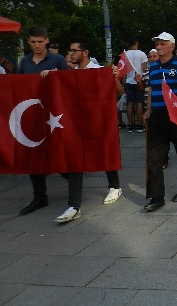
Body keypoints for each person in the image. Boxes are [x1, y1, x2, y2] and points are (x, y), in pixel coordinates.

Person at [51, 37, 124, 222]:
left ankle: (114, 186)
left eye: (74, 50)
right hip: (76, 124)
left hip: (98, 121)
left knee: (104, 151)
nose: (71, 53)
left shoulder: (99, 71)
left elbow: (119, 92)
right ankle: (74, 206)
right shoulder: (70, 72)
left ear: (85, 53)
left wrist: (113, 76)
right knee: (75, 160)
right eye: (70, 50)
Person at [142, 32, 177, 212]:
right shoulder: (153, 67)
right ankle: (156, 197)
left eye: (162, 44)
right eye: (157, 44)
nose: (159, 47)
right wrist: (148, 109)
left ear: (172, 46)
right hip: (157, 116)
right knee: (153, 158)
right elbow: (152, 88)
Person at [17, 26, 70, 217]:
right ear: (28, 42)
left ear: (47, 40)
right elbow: (19, 87)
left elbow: (69, 82)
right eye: (33, 42)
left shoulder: (57, 59)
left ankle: (72, 182)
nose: (37, 45)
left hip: (54, 114)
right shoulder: (25, 62)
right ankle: (39, 196)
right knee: (34, 153)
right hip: (33, 112)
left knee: (59, 149)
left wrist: (56, 75)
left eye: (40, 41)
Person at [124, 37, 148, 133]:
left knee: (129, 103)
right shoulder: (141, 54)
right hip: (139, 81)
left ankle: (130, 124)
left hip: (129, 81)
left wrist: (124, 82)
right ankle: (139, 124)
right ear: (137, 43)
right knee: (139, 103)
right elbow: (145, 67)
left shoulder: (125, 54)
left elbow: (124, 70)